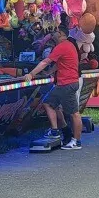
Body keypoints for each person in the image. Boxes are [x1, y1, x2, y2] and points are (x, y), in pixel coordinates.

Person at [26, 21, 85, 151]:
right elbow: (59, 64)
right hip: (68, 83)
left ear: (62, 35)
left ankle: (76, 141)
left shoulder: (62, 46)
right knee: (49, 103)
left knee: (74, 113)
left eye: (58, 33)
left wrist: (31, 74)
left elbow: (46, 61)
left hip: (66, 84)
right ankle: (56, 131)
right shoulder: (70, 46)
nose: (55, 34)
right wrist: (48, 73)